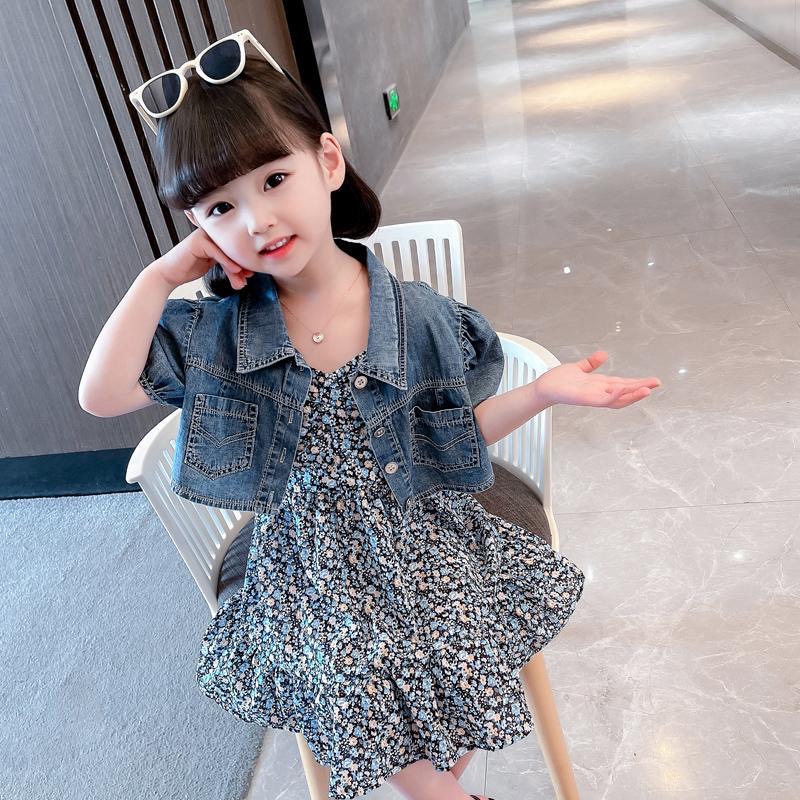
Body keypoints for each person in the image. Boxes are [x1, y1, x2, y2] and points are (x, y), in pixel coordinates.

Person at [78, 32, 661, 800]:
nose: (257, 220)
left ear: (327, 162)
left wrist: (544, 392)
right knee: (347, 676)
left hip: (425, 534)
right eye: (220, 206)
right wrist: (160, 276)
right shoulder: (215, 335)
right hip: (305, 566)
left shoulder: (419, 317)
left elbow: (449, 443)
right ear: (197, 226)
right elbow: (102, 395)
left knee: (456, 651)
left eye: (275, 179)